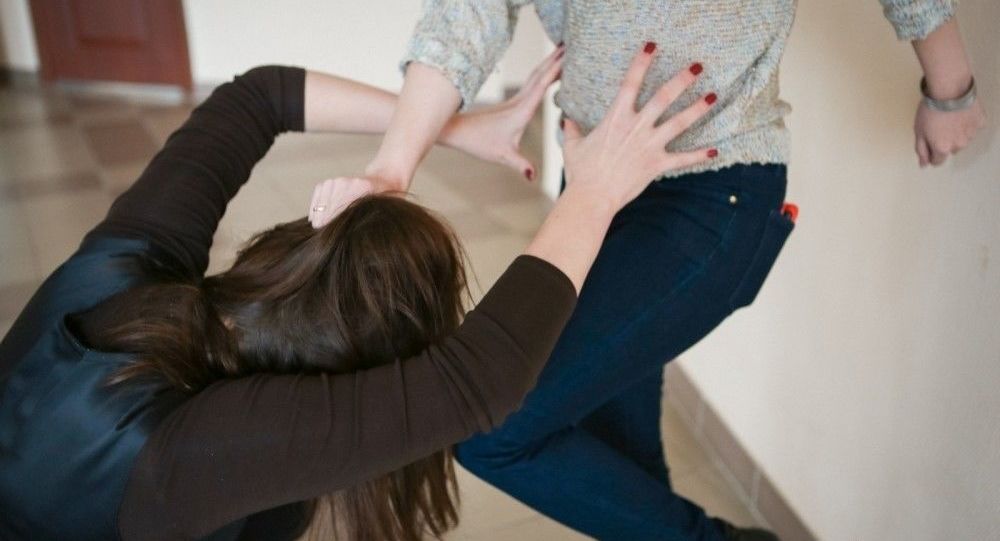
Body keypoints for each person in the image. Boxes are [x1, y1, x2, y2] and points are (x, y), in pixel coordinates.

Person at [312, 1, 986, 540]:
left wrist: (950, 91)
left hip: (716, 191)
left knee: (493, 427)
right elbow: (471, 11)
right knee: (623, 456)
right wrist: (391, 167)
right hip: (595, 188)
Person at [0, 46, 713, 540]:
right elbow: (482, 380)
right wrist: (595, 191)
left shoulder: (126, 264)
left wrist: (446, 129)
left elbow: (257, 96)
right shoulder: (201, 451)